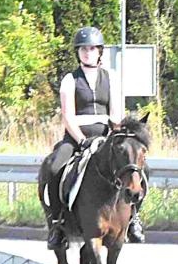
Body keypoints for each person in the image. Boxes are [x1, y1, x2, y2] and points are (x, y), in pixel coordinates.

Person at [39, 27, 145, 250]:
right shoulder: (70, 79)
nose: (88, 53)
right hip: (77, 136)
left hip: (107, 136)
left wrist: (115, 136)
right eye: (84, 49)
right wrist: (80, 140)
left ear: (100, 52)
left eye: (92, 49)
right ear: (78, 52)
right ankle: (57, 224)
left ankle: (133, 218)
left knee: (138, 169)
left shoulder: (111, 78)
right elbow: (68, 116)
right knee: (54, 166)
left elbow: (116, 113)